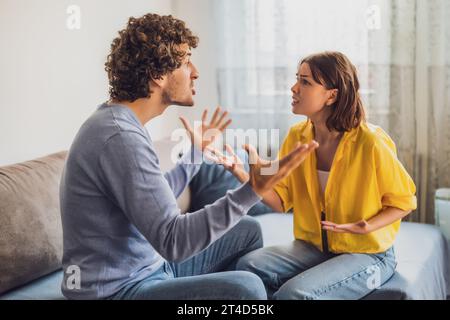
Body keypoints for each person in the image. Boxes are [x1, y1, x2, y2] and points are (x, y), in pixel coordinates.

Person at [59, 13, 317, 300]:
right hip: (118, 291)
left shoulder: (120, 123)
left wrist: (196, 154)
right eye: (185, 62)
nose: (194, 71)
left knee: (247, 230)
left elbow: (155, 199)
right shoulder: (120, 138)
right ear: (158, 76)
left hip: (151, 268)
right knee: (248, 289)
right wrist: (252, 190)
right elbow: (173, 241)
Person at [219, 51, 417, 299]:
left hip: (368, 253)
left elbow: (404, 202)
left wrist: (367, 226)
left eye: (305, 82)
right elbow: (281, 201)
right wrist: (241, 171)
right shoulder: (296, 136)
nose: (293, 88)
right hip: (314, 247)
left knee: (294, 294)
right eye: (297, 79)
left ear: (331, 95)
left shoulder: (371, 142)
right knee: (248, 268)